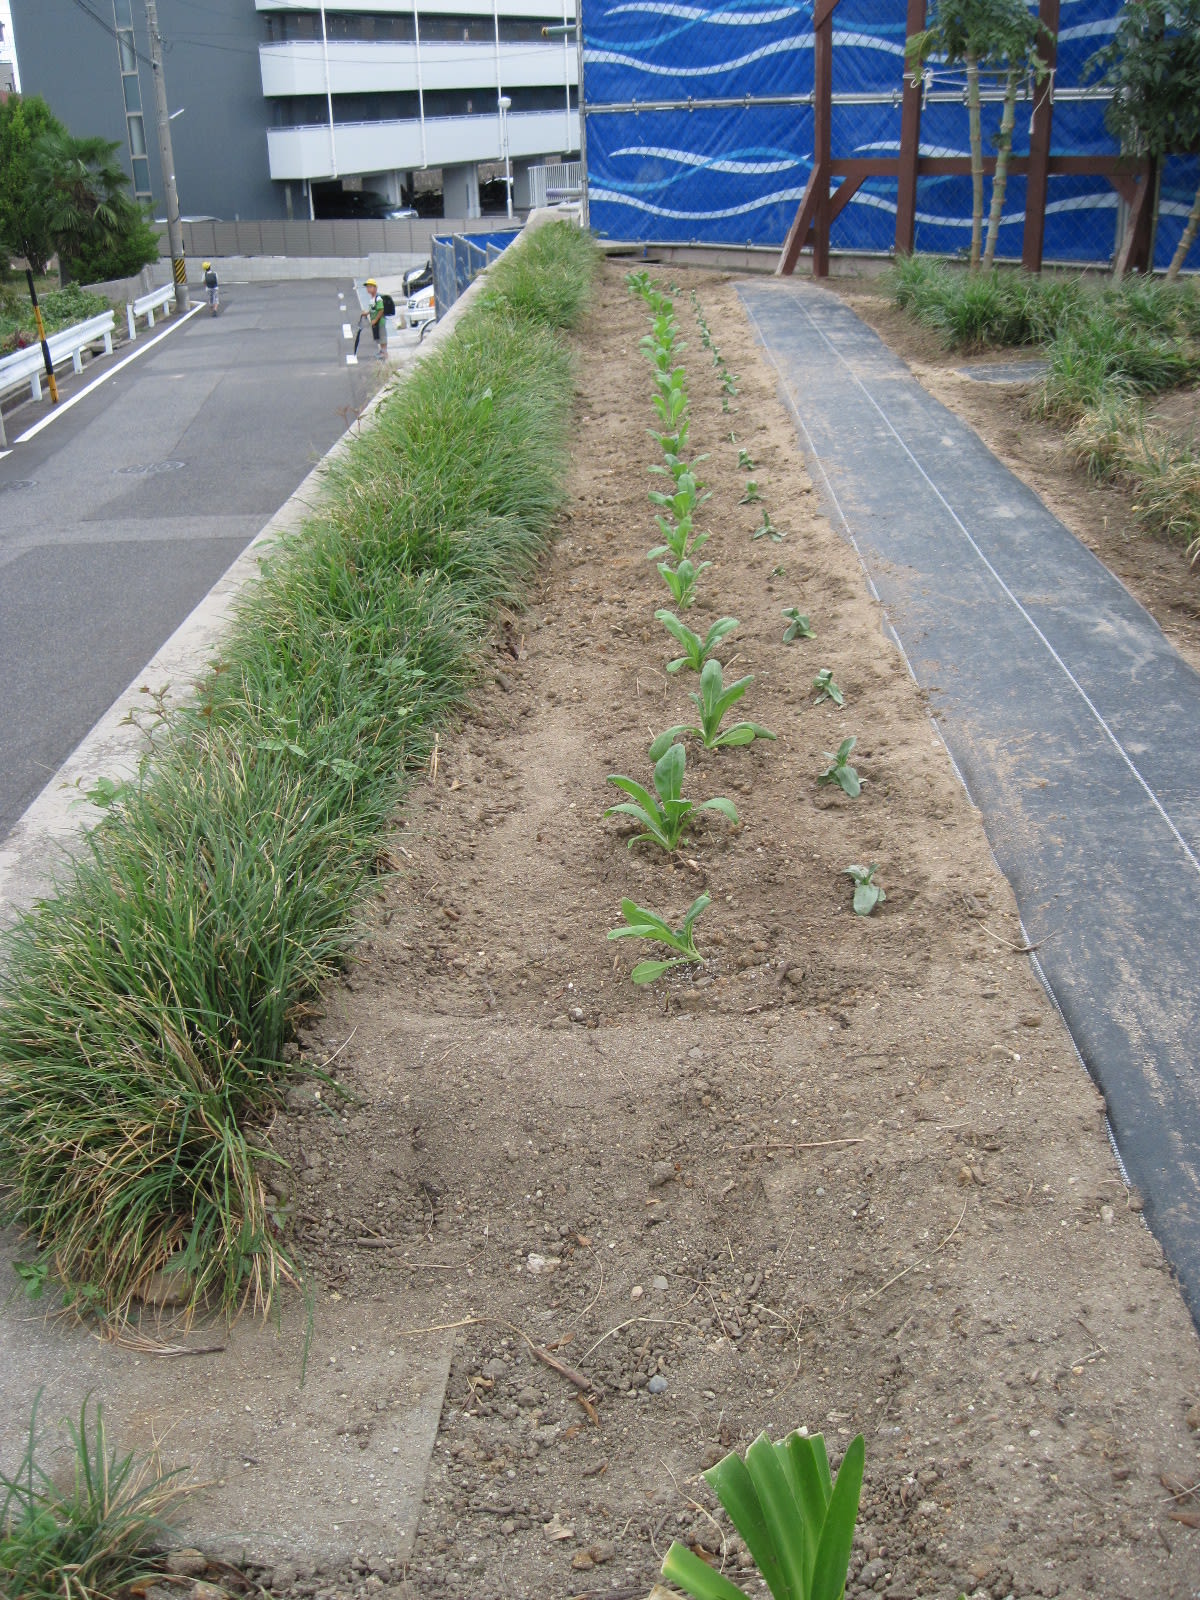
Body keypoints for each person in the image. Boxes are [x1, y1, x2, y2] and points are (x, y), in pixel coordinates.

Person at [363, 277, 387, 360]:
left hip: (380, 322)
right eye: (367, 287)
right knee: (379, 337)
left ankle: (384, 353)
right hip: (375, 322)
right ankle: (382, 352)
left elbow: (381, 310)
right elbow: (372, 309)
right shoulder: (372, 299)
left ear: (375, 288)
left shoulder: (378, 298)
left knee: (382, 337)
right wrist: (367, 313)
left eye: (370, 287)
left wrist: (375, 320)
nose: (368, 289)